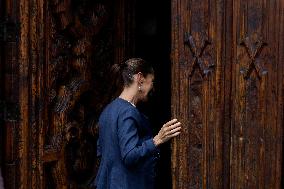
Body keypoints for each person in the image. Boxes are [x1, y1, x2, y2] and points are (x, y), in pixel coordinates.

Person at [92, 58, 182, 189]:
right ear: (140, 78)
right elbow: (129, 156)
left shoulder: (107, 110)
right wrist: (157, 139)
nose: (152, 87)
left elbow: (101, 152)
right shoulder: (128, 112)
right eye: (152, 81)